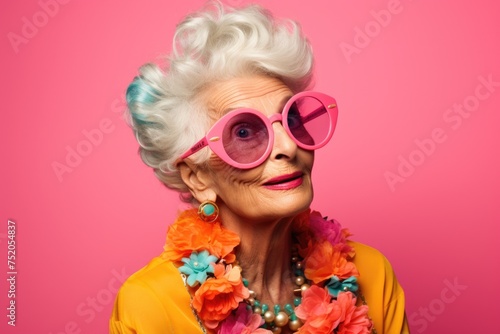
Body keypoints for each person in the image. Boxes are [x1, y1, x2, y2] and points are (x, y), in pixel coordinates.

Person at [110, 2, 409, 333]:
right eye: (243, 132)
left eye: (291, 118)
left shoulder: (372, 275)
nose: (289, 146)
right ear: (197, 177)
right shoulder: (150, 305)